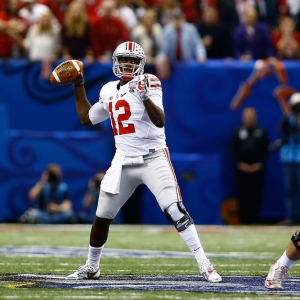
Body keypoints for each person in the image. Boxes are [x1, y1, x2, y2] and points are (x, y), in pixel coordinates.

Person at [65, 41, 222, 283]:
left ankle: (205, 264)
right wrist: (78, 84)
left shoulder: (149, 81)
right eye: (124, 60)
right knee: (102, 216)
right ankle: (91, 267)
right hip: (123, 160)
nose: (128, 64)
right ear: (116, 63)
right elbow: (87, 118)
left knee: (175, 211)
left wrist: (145, 96)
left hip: (153, 157)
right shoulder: (108, 90)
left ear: (141, 64)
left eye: (133, 61)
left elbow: (160, 121)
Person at [231, 107, 269, 224]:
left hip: (257, 169)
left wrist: (259, 165)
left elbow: (265, 150)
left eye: (251, 116)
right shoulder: (238, 132)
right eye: (247, 116)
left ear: (255, 117)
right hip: (242, 169)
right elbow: (233, 149)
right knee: (243, 194)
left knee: (255, 195)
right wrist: (240, 164)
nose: (249, 118)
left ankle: (254, 219)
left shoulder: (261, 132)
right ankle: (243, 219)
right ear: (243, 117)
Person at [278, 93, 300, 225]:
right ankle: (291, 217)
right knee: (289, 190)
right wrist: (288, 114)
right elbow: (281, 129)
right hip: (288, 158)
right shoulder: (288, 118)